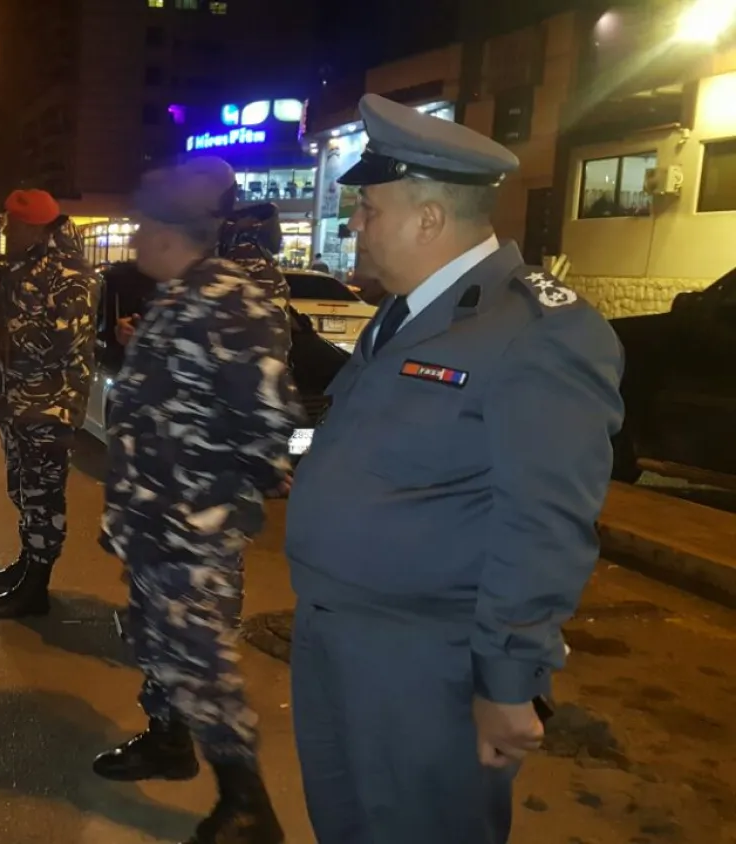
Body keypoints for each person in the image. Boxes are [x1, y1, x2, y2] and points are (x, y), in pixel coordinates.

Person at [284, 94, 625, 843]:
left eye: (369, 209)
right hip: (335, 636)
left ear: (428, 218)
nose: (355, 226)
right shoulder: (406, 312)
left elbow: (545, 523)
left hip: (422, 663)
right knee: (346, 824)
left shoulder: (539, 332)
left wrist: (510, 681)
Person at [96, 157, 300, 844]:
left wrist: (222, 488)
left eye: (139, 225)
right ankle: (168, 743)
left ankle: (249, 807)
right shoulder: (181, 295)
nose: (132, 239)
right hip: (154, 520)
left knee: (203, 656)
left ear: (165, 230)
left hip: (190, 524)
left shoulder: (226, 298)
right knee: (161, 643)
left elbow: (271, 419)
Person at [0, 189, 99, 619]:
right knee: (23, 489)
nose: (6, 229)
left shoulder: (70, 274)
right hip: (16, 402)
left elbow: (68, 339)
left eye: (13, 223)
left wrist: (0, 338)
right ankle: (29, 563)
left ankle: (37, 588)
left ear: (34, 227)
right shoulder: (16, 266)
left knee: (44, 496)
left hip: (49, 405)